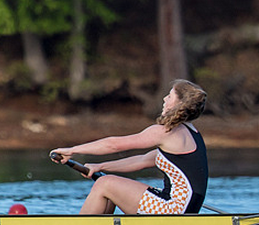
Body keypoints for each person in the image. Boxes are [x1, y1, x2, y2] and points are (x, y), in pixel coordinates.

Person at [51, 79, 209, 214]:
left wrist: (72, 150)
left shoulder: (166, 132)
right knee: (109, 184)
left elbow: (114, 145)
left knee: (104, 184)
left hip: (172, 210)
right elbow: (142, 160)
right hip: (183, 210)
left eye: (169, 96)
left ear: (179, 104)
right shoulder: (191, 133)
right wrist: (99, 166)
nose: (164, 99)